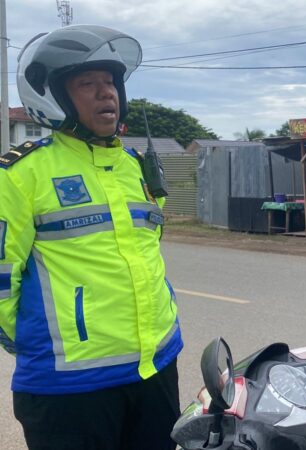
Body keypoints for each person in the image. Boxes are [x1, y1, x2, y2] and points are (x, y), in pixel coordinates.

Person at [0, 25, 183, 449]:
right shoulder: (20, 175)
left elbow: (145, 253)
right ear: (54, 96)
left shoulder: (135, 166)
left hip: (155, 368)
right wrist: (41, 342)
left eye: (110, 83)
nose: (107, 94)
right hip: (68, 387)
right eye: (88, 84)